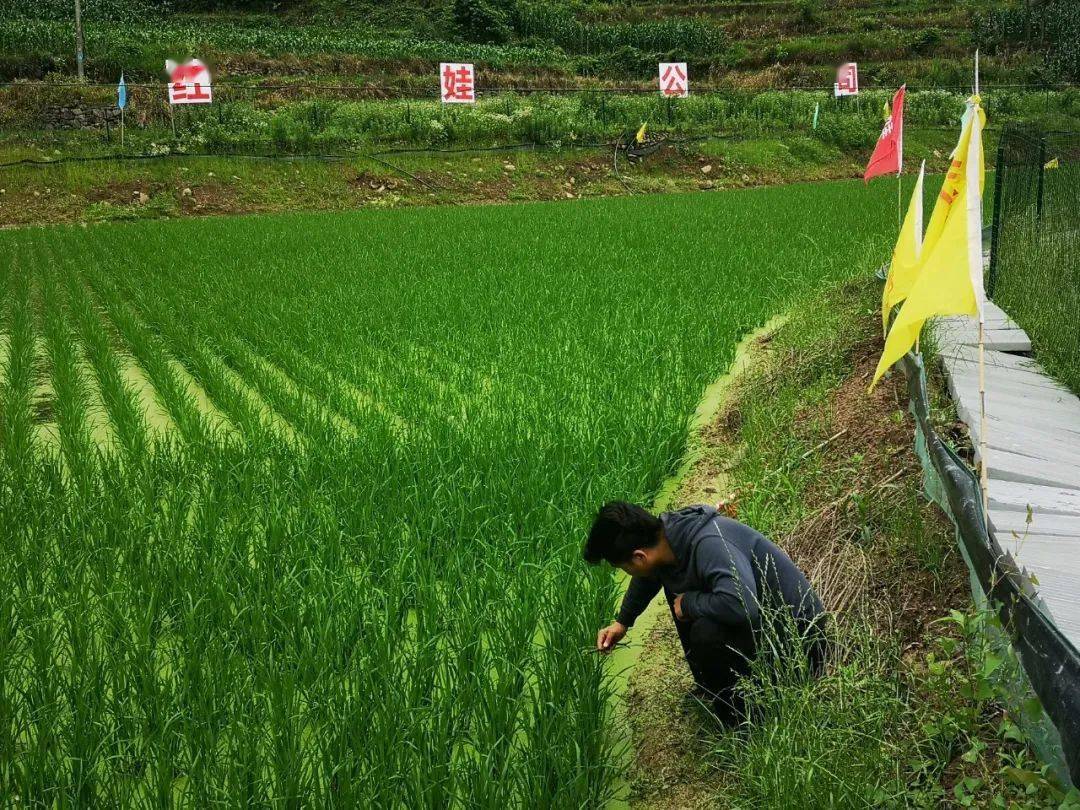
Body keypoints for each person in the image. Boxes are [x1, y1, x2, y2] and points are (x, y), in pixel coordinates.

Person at [583, 501, 825, 725]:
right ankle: (712, 688)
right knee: (676, 590)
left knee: (704, 630)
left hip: (800, 640)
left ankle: (746, 720)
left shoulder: (708, 543)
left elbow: (742, 604)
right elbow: (648, 577)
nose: (630, 573)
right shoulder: (666, 539)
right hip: (766, 622)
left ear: (639, 557)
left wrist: (690, 603)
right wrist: (622, 622)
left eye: (626, 568)